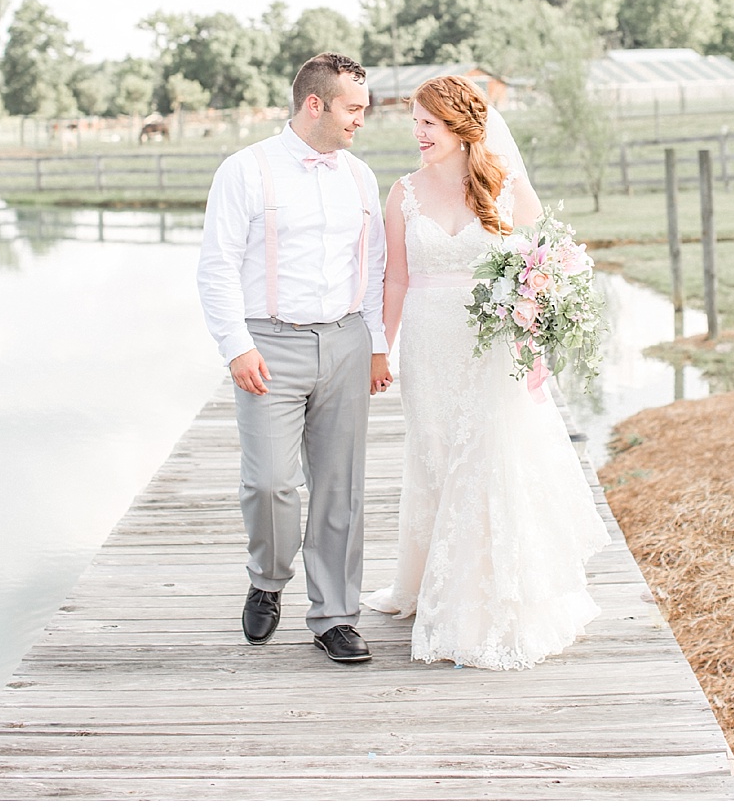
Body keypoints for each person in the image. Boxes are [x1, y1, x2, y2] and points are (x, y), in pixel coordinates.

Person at [361, 77, 608, 668]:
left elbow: (543, 266)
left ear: (461, 127)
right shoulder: (402, 195)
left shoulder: (506, 188)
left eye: (429, 123)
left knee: (488, 456)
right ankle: (428, 580)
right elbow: (395, 278)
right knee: (435, 455)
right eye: (415, 122)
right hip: (426, 344)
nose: (417, 133)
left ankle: (487, 597)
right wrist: (379, 348)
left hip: (489, 346)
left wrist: (537, 327)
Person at [196, 53, 390, 665]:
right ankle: (268, 577)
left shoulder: (359, 176)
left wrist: (377, 342)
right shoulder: (245, 170)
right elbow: (217, 266)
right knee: (272, 483)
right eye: (353, 108)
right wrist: (237, 346)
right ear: (316, 105)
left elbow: (375, 266)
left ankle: (334, 615)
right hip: (268, 345)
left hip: (345, 340)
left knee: (341, 488)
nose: (361, 120)